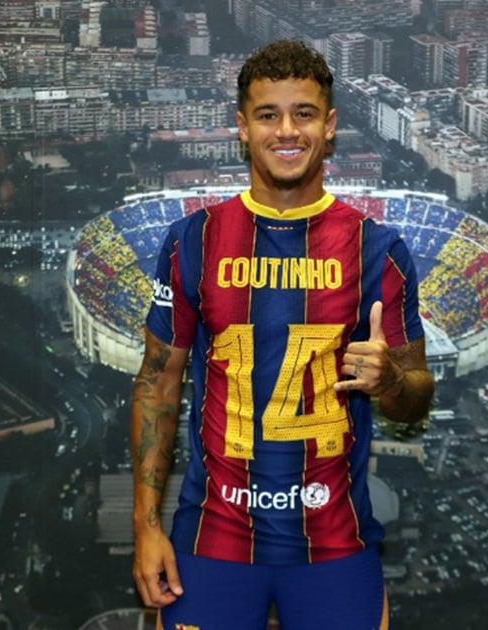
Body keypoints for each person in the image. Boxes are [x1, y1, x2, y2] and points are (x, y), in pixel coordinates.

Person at [131, 39, 435, 630]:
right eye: (269, 115)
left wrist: (392, 381)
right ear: (243, 127)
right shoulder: (192, 240)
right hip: (214, 537)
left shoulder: (378, 248)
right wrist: (145, 529)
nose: (287, 131)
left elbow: (417, 396)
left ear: (330, 126)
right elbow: (156, 385)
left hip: (335, 541)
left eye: (305, 113)